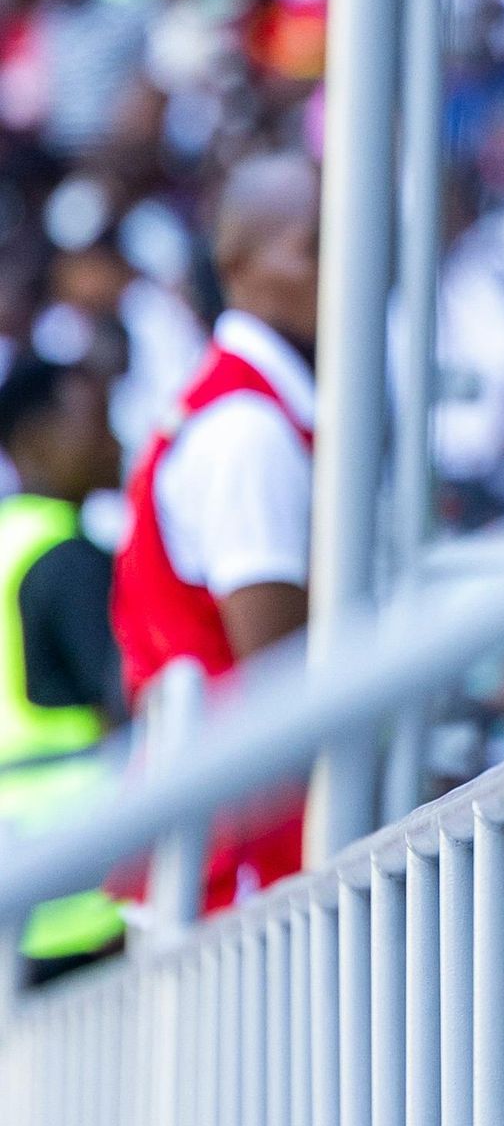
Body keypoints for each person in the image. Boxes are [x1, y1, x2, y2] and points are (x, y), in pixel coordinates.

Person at [112, 151, 321, 907]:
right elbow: (285, 686)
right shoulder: (246, 431)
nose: (348, 270)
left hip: (225, 856)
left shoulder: (246, 408)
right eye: (315, 248)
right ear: (236, 264)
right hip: (243, 875)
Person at [0, 349, 129, 982]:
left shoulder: (10, 542)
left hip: (20, 889)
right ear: (35, 440)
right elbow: (125, 710)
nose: (115, 441)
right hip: (80, 897)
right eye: (97, 421)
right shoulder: (68, 558)